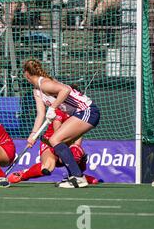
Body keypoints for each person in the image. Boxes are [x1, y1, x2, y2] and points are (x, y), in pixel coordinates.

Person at [22, 59, 100, 188]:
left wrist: (53, 108)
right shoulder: (37, 91)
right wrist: (33, 135)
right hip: (79, 114)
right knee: (58, 142)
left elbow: (65, 90)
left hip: (87, 110)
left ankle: (78, 177)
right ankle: (75, 176)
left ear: (27, 74)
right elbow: (40, 114)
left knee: (55, 139)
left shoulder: (45, 83)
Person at [8, 107, 100, 185]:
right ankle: (23, 175)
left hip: (65, 146)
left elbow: (77, 142)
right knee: (48, 168)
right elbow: (57, 138)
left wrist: (76, 153)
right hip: (50, 144)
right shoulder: (59, 111)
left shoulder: (81, 116)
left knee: (76, 152)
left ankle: (77, 176)